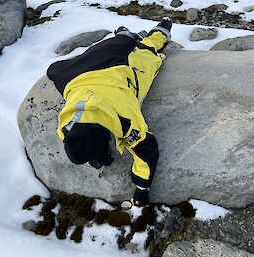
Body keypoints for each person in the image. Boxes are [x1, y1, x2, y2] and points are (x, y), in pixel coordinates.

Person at [47, 17, 172, 207]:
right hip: (82, 70)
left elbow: (147, 153)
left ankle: (162, 29)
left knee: (150, 49)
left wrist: (141, 190)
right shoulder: (66, 126)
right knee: (56, 70)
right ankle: (122, 36)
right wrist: (95, 155)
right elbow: (78, 137)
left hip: (120, 64)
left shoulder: (125, 120)